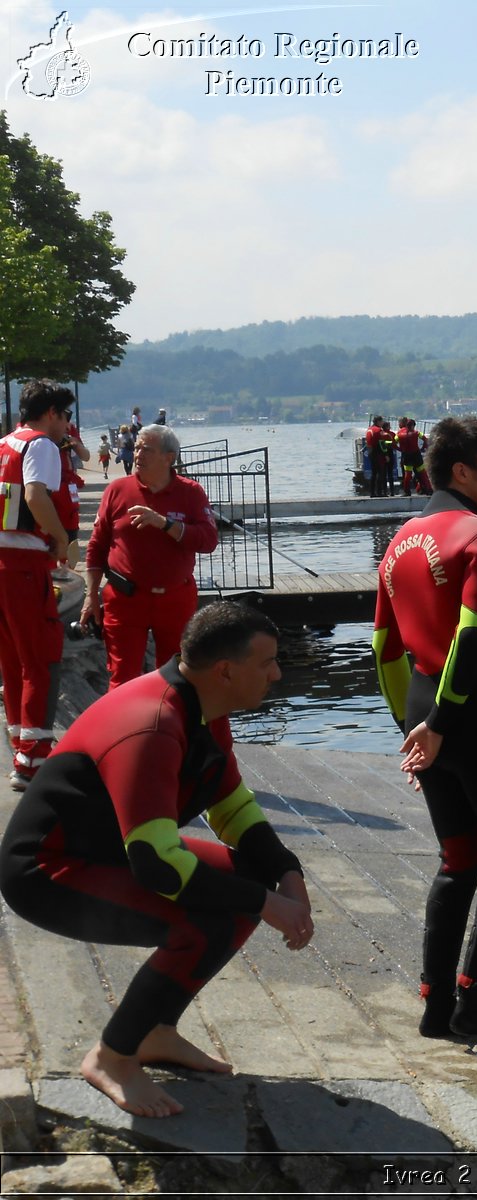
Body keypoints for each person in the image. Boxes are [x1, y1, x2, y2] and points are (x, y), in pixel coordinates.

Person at [0, 601, 313, 1119]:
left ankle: (155, 1032)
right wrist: (265, 903)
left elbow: (232, 806)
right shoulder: (152, 722)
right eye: (267, 663)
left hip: (112, 853)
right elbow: (159, 867)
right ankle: (112, 1056)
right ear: (226, 671)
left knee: (245, 881)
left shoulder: (204, 709)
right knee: (205, 919)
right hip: (46, 872)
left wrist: (286, 872)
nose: (277, 674)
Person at [373, 416, 477, 1041]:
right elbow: (474, 634)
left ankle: (435, 1004)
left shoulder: (401, 540)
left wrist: (411, 729)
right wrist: (441, 724)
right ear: (463, 472)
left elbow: (384, 647)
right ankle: (473, 998)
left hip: (419, 704)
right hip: (466, 713)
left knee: (458, 856)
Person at [81, 425, 218, 689]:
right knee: (122, 679)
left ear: (169, 458)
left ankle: (170, 728)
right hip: (125, 599)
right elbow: (97, 546)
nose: (138, 454)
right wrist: (90, 596)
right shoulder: (118, 490)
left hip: (175, 598)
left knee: (176, 679)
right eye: (137, 447)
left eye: (147, 449)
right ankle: (123, 729)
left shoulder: (191, 492)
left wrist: (165, 524)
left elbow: (208, 540)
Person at [0, 380, 75, 789]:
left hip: (1, 565)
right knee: (42, 659)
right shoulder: (41, 446)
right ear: (50, 413)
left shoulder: (3, 445)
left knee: (12, 663)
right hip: (25, 567)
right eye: (65, 416)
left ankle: (21, 748)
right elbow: (34, 495)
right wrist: (61, 538)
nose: (67, 425)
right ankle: (33, 761)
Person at [396, 417, 425, 497]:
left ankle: (407, 491)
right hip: (416, 454)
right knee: (421, 473)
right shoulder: (416, 432)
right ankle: (425, 489)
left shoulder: (400, 433)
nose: (398, 424)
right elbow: (425, 438)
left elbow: (393, 442)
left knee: (407, 474)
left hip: (406, 455)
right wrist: (423, 447)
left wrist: (399, 449)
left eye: (399, 423)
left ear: (403, 423)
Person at [364, 414, 386, 498]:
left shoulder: (369, 430)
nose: (383, 422)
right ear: (378, 422)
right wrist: (386, 454)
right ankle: (379, 492)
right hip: (378, 452)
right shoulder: (378, 430)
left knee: (374, 473)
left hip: (370, 452)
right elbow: (382, 443)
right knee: (380, 473)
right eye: (382, 421)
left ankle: (372, 492)